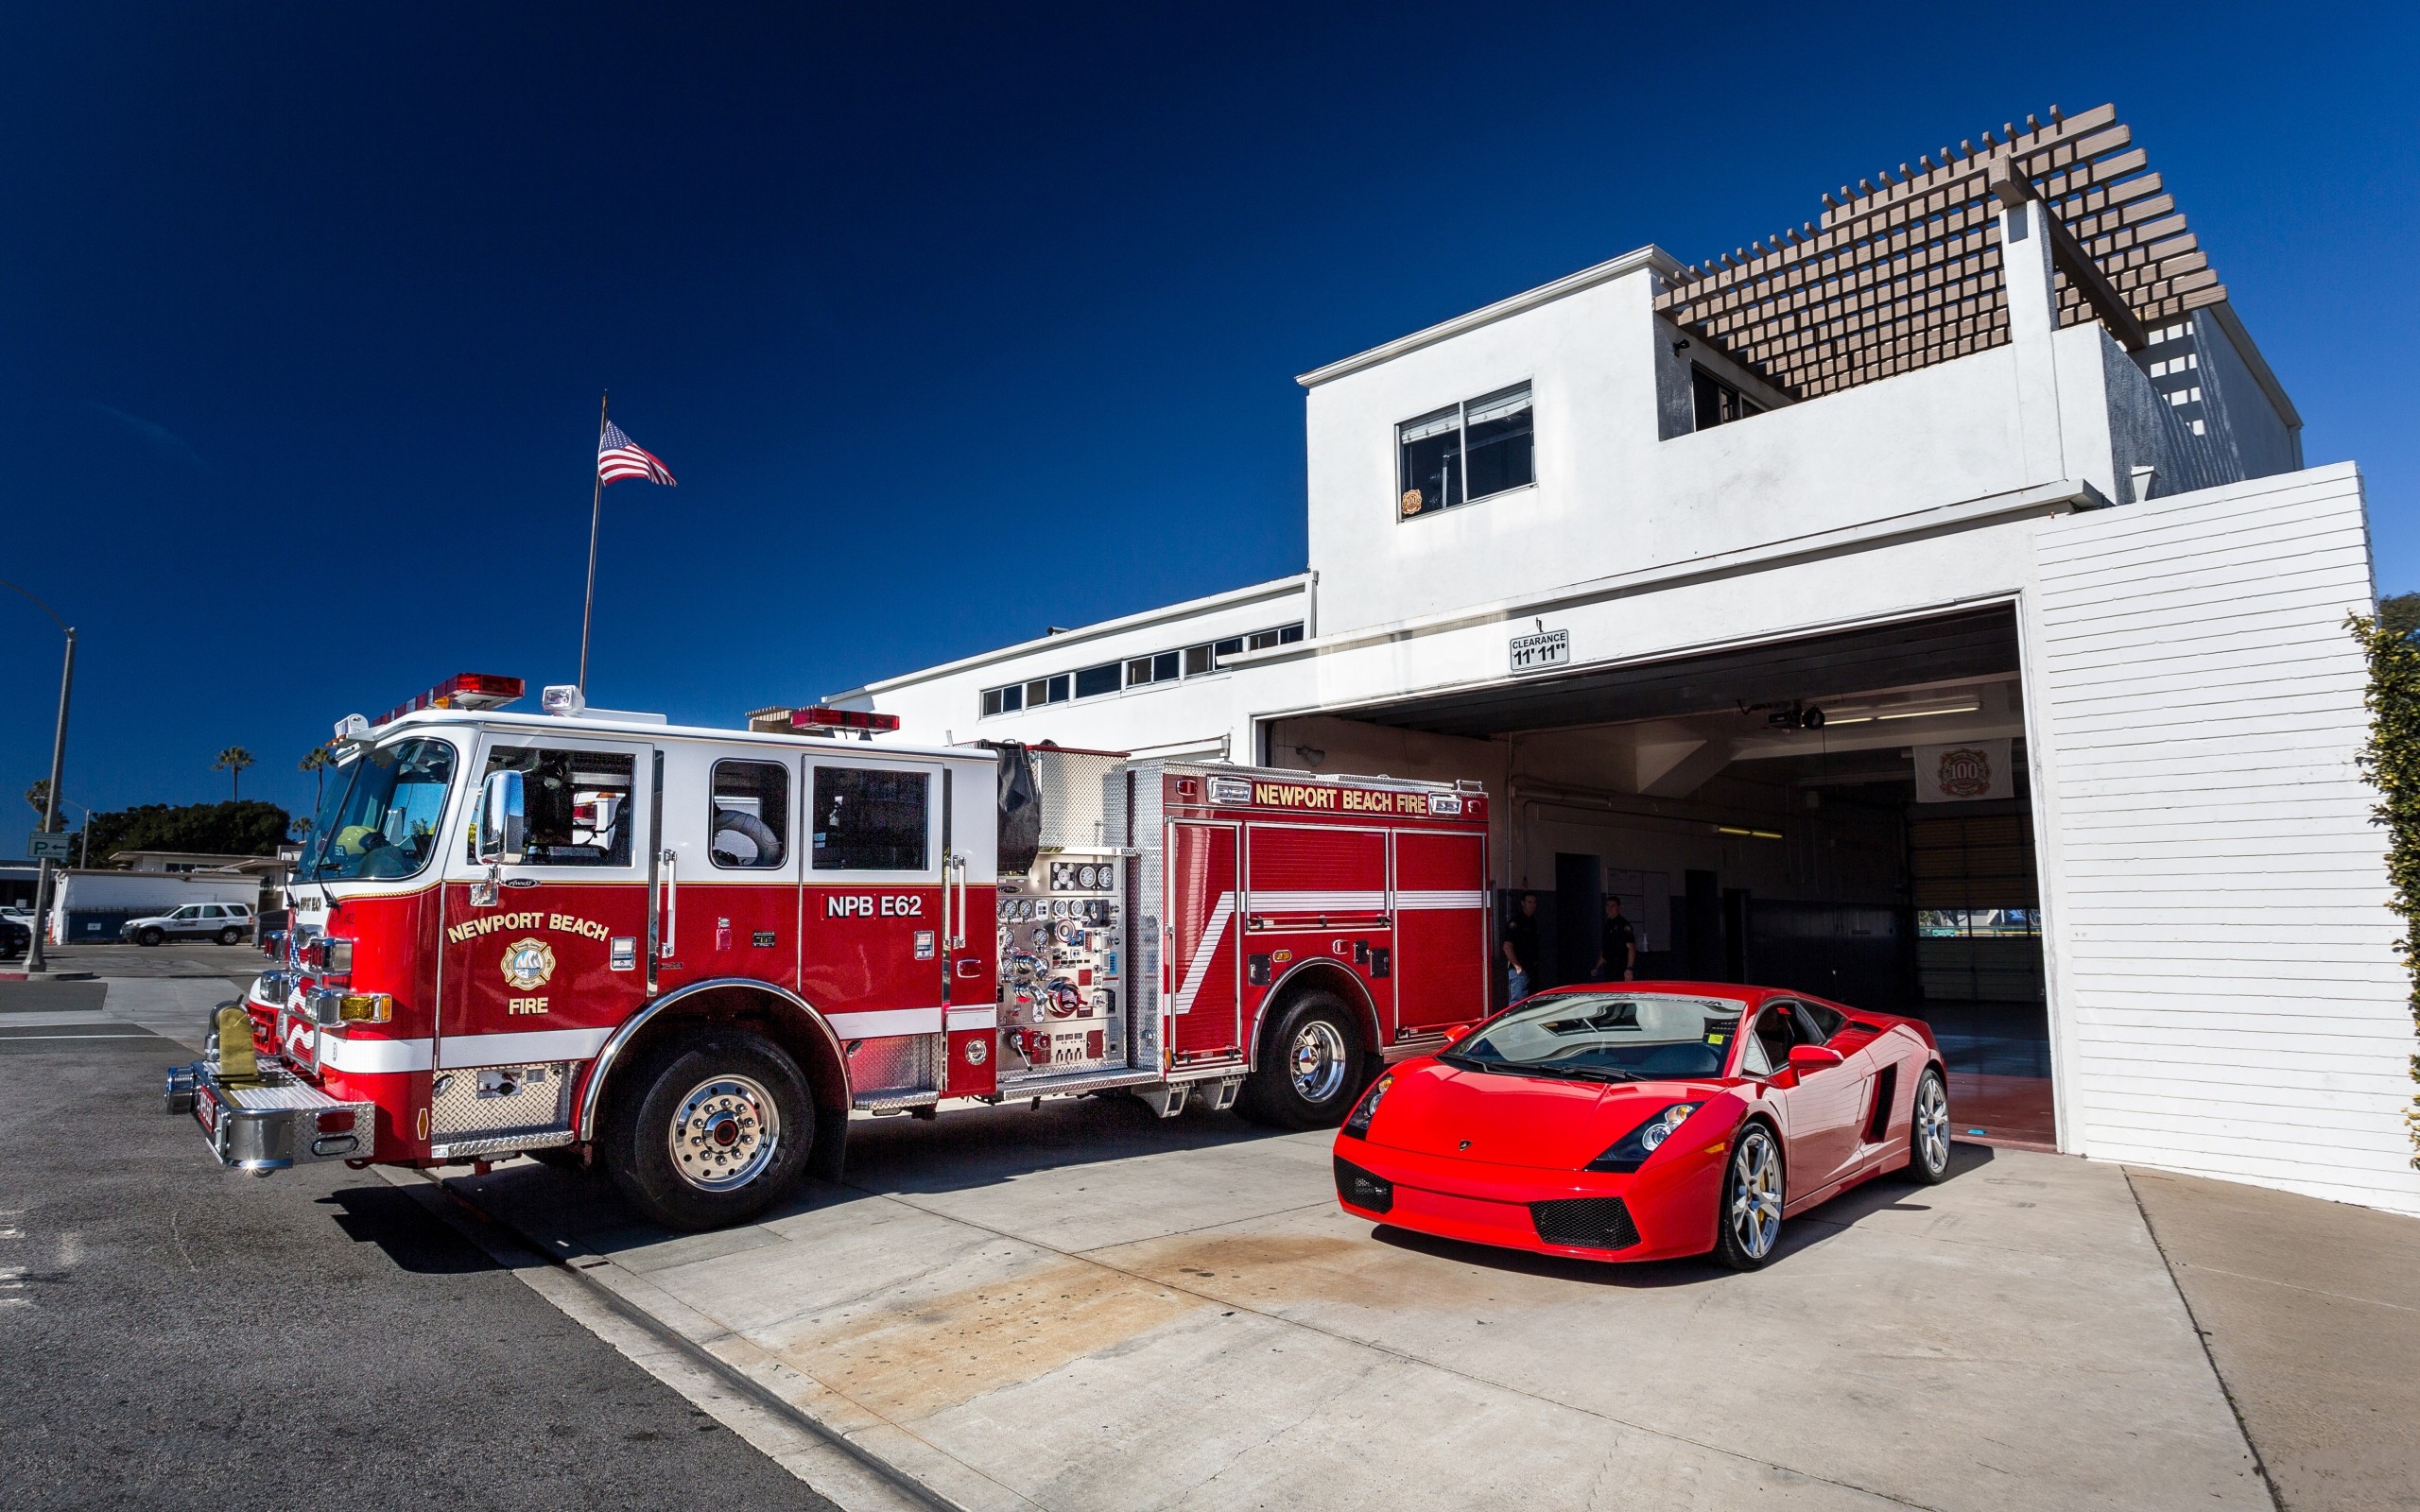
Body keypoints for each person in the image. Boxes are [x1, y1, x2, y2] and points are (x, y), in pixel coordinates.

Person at [1502, 891, 1540, 1002]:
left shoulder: (1532, 921)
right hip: (1520, 970)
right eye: (1529, 902)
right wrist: (1517, 966)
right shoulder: (1516, 922)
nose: (1532, 905)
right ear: (1522, 903)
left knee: (1532, 1002)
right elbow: (1507, 946)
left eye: (1534, 902)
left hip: (1532, 969)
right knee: (1518, 1003)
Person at [1593, 896, 1637, 981]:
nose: (1610, 908)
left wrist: (1629, 968)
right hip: (1609, 967)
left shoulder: (1624, 925)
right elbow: (1605, 950)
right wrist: (1597, 967)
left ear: (1619, 908)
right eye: (1608, 906)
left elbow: (1631, 948)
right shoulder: (1607, 926)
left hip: (1620, 967)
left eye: (1613, 906)